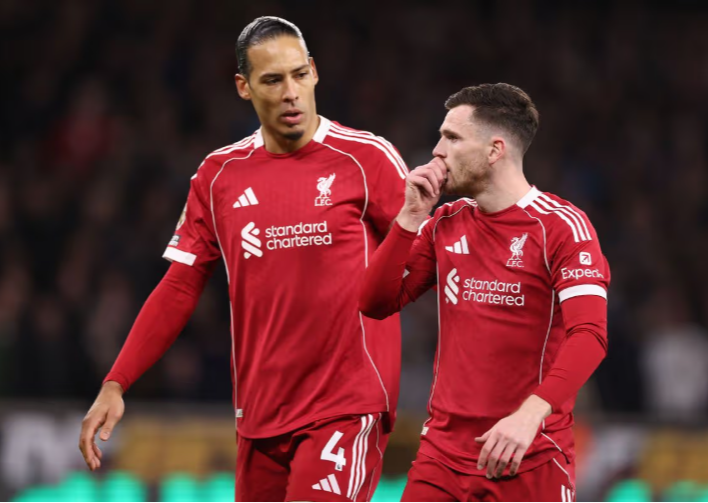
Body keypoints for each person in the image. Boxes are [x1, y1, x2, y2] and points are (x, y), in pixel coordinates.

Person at [79, 16, 407, 502]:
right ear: (243, 87)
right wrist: (116, 382)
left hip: (346, 404)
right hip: (260, 414)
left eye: (299, 75)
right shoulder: (218, 176)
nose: (291, 93)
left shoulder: (367, 158)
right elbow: (180, 285)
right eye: (272, 80)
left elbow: (431, 259)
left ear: (315, 72)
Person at [359, 83, 610, 502]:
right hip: (441, 457)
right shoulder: (445, 222)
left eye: (452, 138)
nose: (437, 150)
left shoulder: (561, 228)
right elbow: (375, 302)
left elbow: (590, 336)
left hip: (527, 455)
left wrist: (530, 415)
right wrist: (409, 218)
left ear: (495, 150)